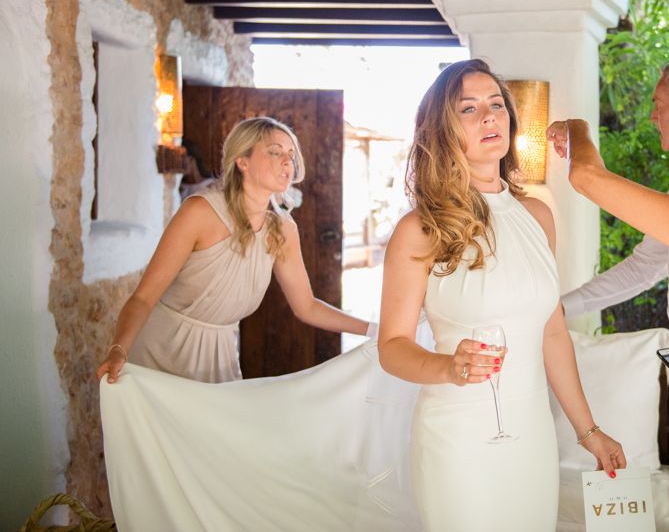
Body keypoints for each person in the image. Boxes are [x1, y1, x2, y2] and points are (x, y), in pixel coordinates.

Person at [377, 58, 625, 532]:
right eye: (468, 109)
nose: (489, 116)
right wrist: (447, 367)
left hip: (531, 433)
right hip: (457, 437)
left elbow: (552, 332)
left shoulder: (537, 215)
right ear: (443, 129)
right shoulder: (419, 230)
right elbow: (392, 348)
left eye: (496, 104)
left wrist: (588, 431)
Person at [561, 57, 669, 532]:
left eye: (657, 106)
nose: (651, 116)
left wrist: (576, 129)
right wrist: (560, 308)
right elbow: (644, 267)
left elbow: (588, 178)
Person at [97, 116, 372, 384]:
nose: (287, 161)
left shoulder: (283, 230)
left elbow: (307, 306)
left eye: (291, 153)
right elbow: (143, 298)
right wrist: (118, 350)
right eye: (275, 152)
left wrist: (372, 330)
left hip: (221, 354)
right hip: (162, 350)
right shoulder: (199, 213)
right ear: (242, 161)